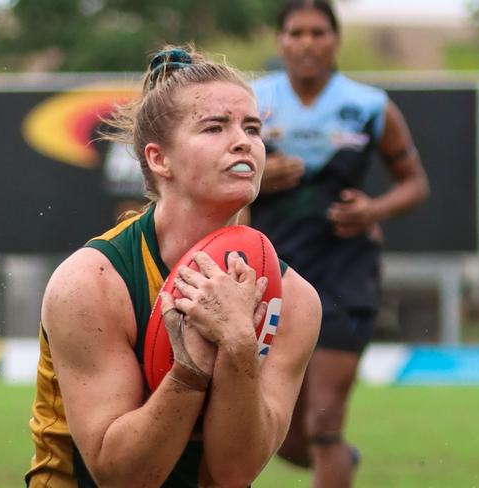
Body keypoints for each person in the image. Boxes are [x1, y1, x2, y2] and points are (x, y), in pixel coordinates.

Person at [25, 45, 321, 488]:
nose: (243, 140)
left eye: (253, 127)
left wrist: (238, 343)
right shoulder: (92, 282)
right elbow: (120, 477)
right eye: (215, 127)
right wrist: (191, 366)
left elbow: (235, 472)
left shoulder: (297, 300)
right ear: (159, 159)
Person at [249, 2, 430, 487]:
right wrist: (259, 178)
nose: (307, 42)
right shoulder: (251, 102)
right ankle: (338, 461)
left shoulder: (370, 105)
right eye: (296, 32)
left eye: (318, 32)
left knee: (324, 426)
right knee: (282, 433)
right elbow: (217, 178)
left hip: (347, 269)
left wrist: (373, 210)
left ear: (335, 40)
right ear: (280, 41)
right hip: (273, 270)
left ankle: (333, 452)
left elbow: (415, 184)